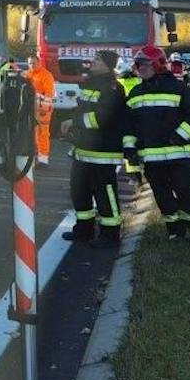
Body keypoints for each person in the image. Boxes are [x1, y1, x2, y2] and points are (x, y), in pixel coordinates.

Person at [122, 43, 190, 241]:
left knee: (184, 191)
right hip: (151, 159)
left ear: (158, 64)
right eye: (137, 65)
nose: (140, 68)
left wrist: (179, 136)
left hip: (180, 156)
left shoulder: (179, 89)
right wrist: (129, 148)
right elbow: (129, 125)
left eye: (145, 64)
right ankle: (174, 230)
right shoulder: (135, 94)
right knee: (162, 196)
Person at [62, 49, 129, 247]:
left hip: (103, 152)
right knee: (79, 192)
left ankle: (110, 236)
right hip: (82, 150)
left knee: (105, 193)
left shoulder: (113, 88)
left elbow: (101, 118)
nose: (93, 62)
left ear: (109, 66)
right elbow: (81, 108)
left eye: (98, 60)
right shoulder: (90, 84)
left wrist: (74, 122)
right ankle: (84, 231)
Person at [115, 56, 144, 186]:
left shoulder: (117, 84)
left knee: (128, 148)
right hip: (141, 119)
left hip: (125, 122)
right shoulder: (140, 81)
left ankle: (134, 176)